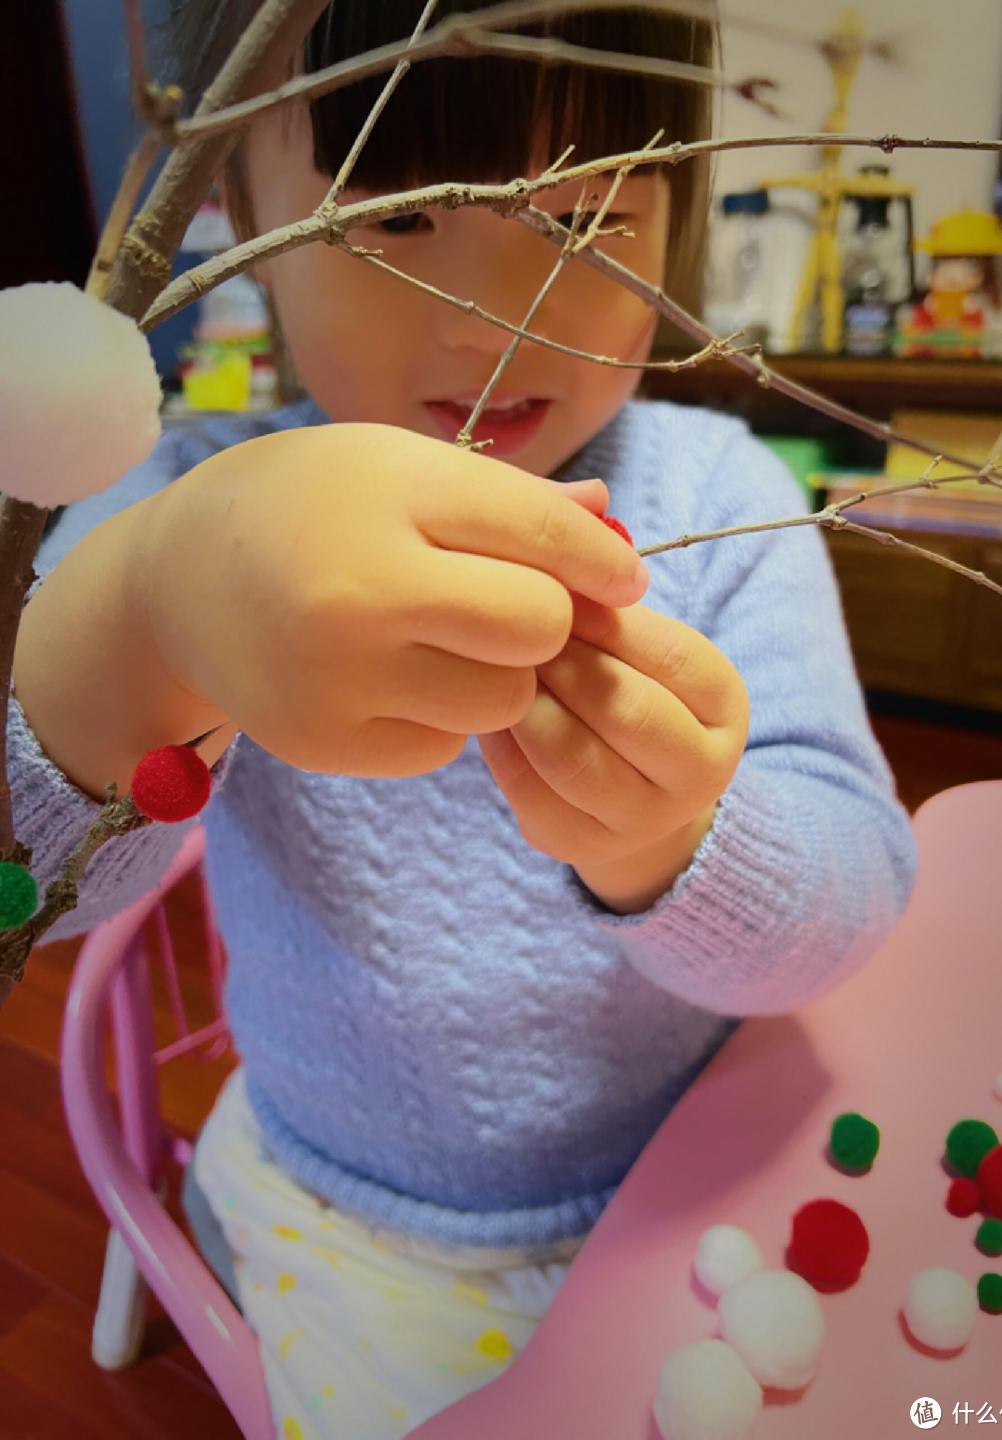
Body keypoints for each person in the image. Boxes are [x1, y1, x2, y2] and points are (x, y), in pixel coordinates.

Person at [9, 3, 918, 1436]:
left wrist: (683, 841)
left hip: (687, 1164)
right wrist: (143, 626)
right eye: (401, 217)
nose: (503, 311)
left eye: (586, 217)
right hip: (351, 1213)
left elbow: (857, 900)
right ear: (235, 199)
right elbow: (16, 892)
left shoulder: (722, 498)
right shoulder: (191, 513)